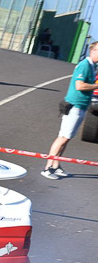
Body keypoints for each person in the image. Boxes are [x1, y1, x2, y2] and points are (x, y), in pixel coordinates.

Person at [41, 41, 98, 179]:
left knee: (67, 138)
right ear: (93, 50)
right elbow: (79, 85)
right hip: (74, 106)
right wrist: (96, 86)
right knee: (63, 137)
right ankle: (48, 168)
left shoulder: (92, 66)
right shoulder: (85, 65)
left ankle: (56, 165)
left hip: (81, 106)